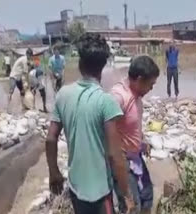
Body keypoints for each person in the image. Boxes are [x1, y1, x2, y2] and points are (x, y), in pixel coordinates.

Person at [46, 33, 134, 214]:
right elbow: (115, 155)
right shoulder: (105, 101)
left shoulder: (63, 94)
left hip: (76, 187)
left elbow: (50, 138)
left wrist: (54, 172)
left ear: (79, 63)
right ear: (103, 66)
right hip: (100, 192)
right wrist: (126, 194)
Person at [111, 56, 159, 214]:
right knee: (132, 206)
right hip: (122, 162)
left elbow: (131, 125)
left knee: (147, 197)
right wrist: (119, 157)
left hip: (135, 156)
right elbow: (105, 130)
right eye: (151, 84)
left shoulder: (137, 95)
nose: (152, 89)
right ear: (139, 80)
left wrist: (141, 142)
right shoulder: (119, 97)